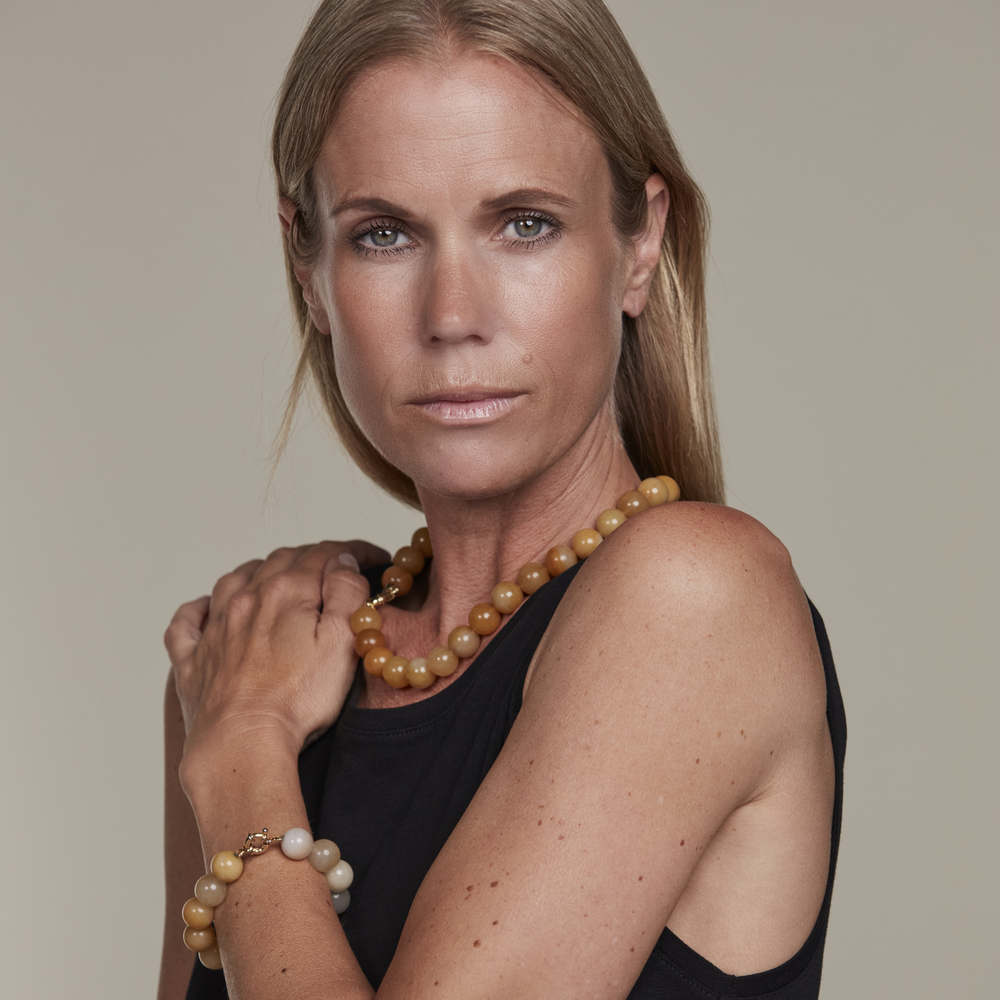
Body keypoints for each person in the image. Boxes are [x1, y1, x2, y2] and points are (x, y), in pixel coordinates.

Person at [158, 1, 845, 997]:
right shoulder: (255, 654)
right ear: (310, 270)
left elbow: (240, 761)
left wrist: (243, 762)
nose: (453, 315)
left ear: (640, 243)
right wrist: (235, 728)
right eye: (384, 234)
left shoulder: (697, 595)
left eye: (525, 224)